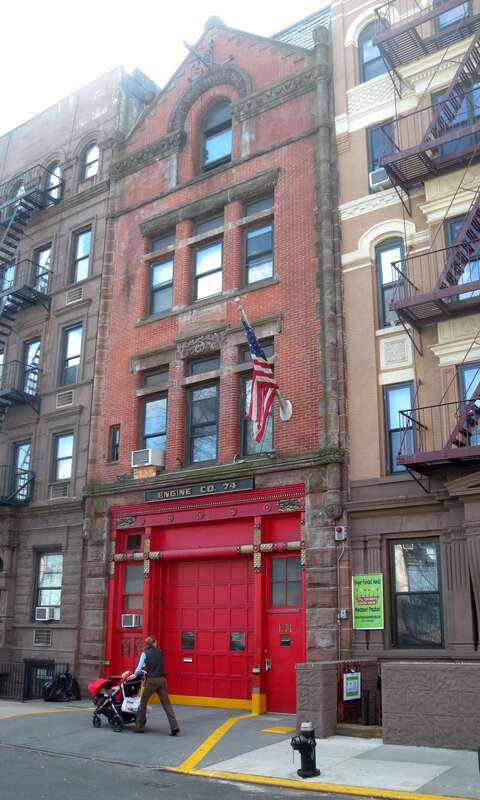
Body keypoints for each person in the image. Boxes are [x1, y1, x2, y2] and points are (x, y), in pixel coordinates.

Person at [133, 635, 179, 735]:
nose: (156, 644)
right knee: (167, 704)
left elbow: (139, 667)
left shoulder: (144, 653)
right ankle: (174, 727)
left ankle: (139, 727)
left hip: (152, 681)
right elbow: (156, 663)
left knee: (143, 703)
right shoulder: (159, 652)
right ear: (153, 643)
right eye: (155, 642)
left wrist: (134, 675)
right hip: (162, 680)